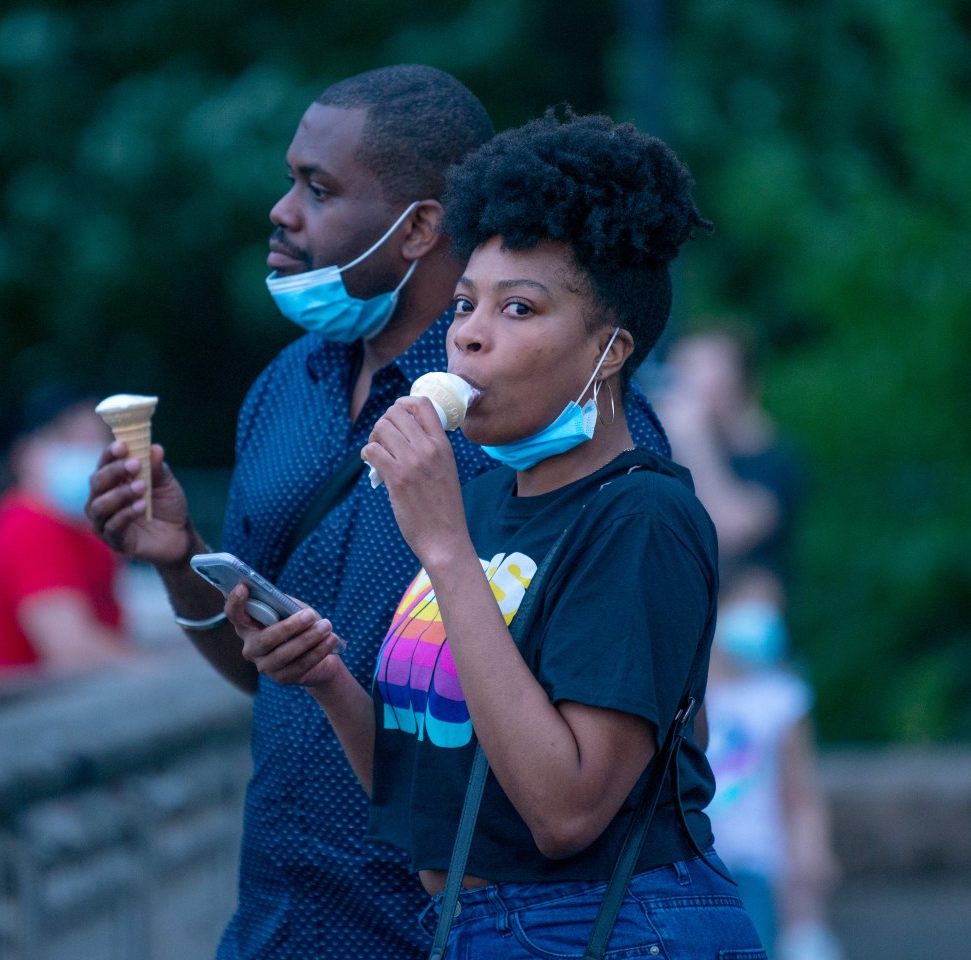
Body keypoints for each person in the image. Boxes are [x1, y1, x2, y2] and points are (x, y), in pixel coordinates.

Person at [87, 67, 671, 958]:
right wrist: (180, 557)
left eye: (318, 189)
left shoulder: (552, 419)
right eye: (292, 180)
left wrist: (442, 538)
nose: (283, 211)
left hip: (466, 929)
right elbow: (268, 671)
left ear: (423, 226)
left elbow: (599, 763)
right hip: (280, 919)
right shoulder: (287, 386)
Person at [235, 111, 765, 958]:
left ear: (610, 349)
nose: (470, 333)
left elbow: (565, 810)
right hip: (466, 929)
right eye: (465, 304)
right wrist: (329, 678)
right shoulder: (481, 511)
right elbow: (430, 795)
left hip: (609, 929)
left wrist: (442, 549)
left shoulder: (639, 517)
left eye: (519, 307)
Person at [705, 567, 844, 960]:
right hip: (694, 860)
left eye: (772, 608)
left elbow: (800, 788)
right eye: (752, 604)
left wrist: (810, 854)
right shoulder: (685, 690)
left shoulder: (781, 697)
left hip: (756, 863)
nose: (764, 617)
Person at [0, 383, 131, 679]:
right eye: (69, 439)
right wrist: (161, 673)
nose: (87, 454)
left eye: (96, 441)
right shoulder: (30, 524)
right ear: (23, 454)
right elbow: (72, 649)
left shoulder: (86, 532)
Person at [657, 326, 805, 585]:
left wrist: (692, 435)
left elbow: (730, 531)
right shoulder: (672, 448)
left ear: (739, 383)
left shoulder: (777, 460)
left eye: (695, 370)